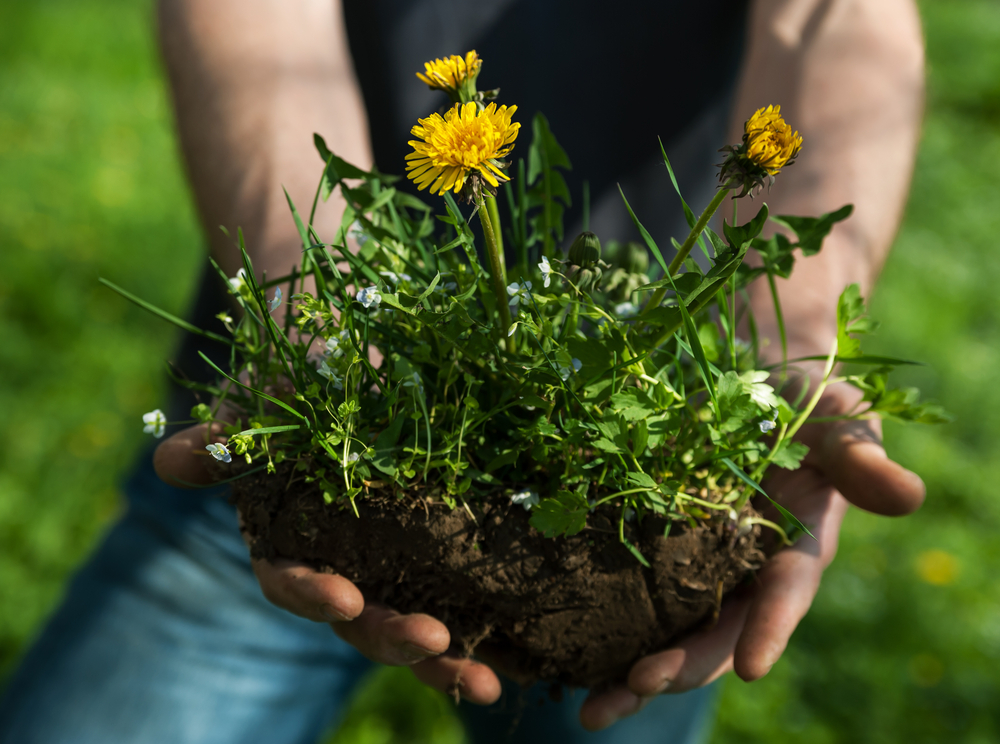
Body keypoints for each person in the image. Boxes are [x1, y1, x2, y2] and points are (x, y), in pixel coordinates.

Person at [0, 0, 926, 741]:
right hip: (298, 435)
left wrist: (791, 327)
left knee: (638, 674)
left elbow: (834, 11)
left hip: (643, 526)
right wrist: (312, 300)